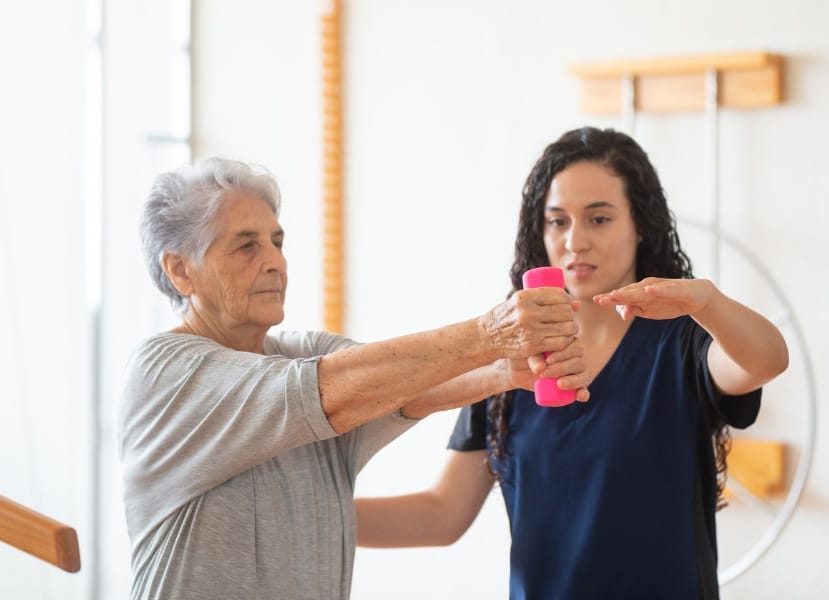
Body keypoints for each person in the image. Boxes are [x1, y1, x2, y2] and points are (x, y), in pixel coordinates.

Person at [118, 157, 591, 600]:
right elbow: (324, 392)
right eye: (247, 245)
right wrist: (490, 334)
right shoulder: (165, 372)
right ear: (181, 270)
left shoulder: (305, 353)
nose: (275, 262)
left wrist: (503, 370)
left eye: (277, 242)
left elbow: (399, 387)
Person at [355, 127, 790, 600]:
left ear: (640, 224)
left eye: (599, 219)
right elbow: (441, 514)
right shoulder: (511, 362)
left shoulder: (683, 344)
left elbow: (766, 359)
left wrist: (707, 301)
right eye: (558, 222)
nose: (574, 241)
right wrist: (308, 512)